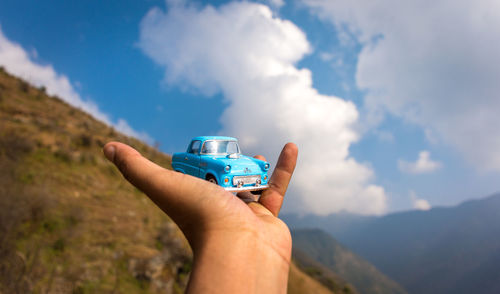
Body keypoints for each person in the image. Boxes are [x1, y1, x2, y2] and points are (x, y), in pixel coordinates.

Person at [103, 141, 298, 293]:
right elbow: (220, 172)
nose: (226, 150)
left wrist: (259, 175)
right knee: (222, 171)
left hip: (242, 179)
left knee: (258, 164)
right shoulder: (198, 156)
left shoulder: (238, 158)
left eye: (230, 147)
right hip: (215, 173)